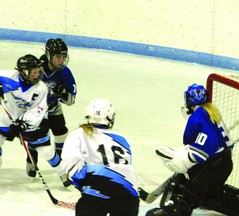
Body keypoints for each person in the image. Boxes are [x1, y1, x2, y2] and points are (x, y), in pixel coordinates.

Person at [145, 84, 239, 215]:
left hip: (214, 165)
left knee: (190, 191)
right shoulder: (210, 111)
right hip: (221, 163)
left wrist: (186, 159)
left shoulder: (198, 115)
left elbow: (209, 142)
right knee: (203, 194)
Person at [0, 54, 70, 187]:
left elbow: (37, 111)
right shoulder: (8, 77)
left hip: (33, 121)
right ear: (24, 72)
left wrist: (24, 123)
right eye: (34, 72)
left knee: (46, 151)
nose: (38, 74)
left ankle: (62, 173)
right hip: (11, 117)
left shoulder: (40, 88)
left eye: (38, 71)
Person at [61, 98, 139, 216]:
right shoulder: (122, 138)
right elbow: (127, 166)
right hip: (129, 192)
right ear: (110, 117)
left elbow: (73, 168)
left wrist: (85, 188)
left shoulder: (77, 134)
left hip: (95, 189)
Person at [26, 38, 77, 180]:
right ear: (49, 55)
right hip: (35, 109)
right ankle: (31, 160)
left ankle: (60, 161)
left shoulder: (65, 73)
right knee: (34, 134)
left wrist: (63, 94)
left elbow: (71, 100)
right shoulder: (36, 67)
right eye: (58, 57)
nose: (61, 60)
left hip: (53, 108)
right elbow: (24, 86)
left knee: (61, 132)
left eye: (63, 57)